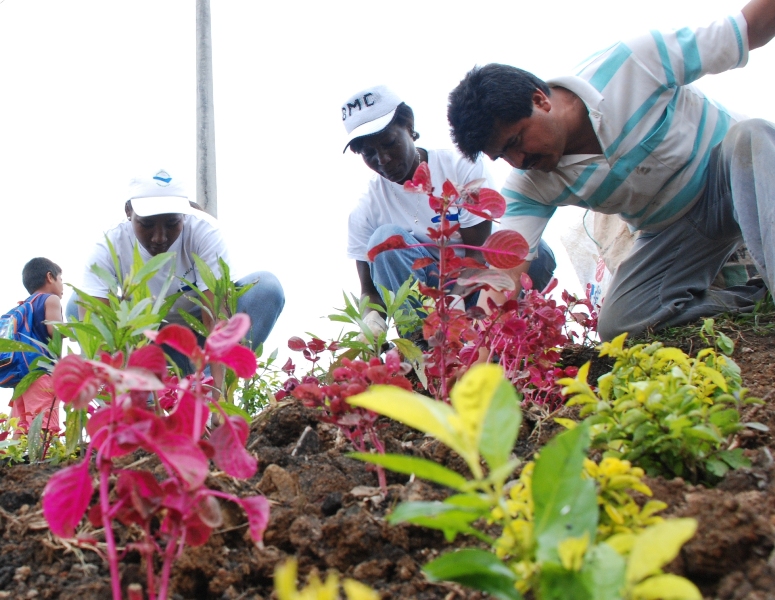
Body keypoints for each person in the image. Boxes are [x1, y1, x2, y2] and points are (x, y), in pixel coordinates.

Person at [447, 0, 775, 342]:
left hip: (735, 180)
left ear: (540, 100)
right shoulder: (529, 185)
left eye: (516, 141)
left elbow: (749, 27)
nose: (518, 160)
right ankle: (756, 300)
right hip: (675, 231)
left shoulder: (633, 62)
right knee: (621, 324)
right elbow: (504, 278)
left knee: (751, 137)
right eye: (502, 156)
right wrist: (474, 356)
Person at [342, 85, 556, 338]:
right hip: (425, 304)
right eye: (368, 153)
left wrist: (452, 309)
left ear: (408, 125)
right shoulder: (366, 210)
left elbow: (476, 255)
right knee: (384, 240)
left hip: (477, 287)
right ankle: (420, 343)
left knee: (533, 251)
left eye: (389, 143)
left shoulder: (459, 167)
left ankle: (503, 334)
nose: (383, 159)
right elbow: (370, 290)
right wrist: (371, 320)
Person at [69, 168, 285, 375]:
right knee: (77, 305)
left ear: (184, 214)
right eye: (147, 224)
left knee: (267, 287)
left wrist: (216, 395)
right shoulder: (109, 245)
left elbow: (216, 321)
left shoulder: (204, 231)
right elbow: (99, 339)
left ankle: (205, 383)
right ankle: (148, 386)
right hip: (148, 340)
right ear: (128, 211)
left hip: (201, 339)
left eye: (172, 223)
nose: (159, 237)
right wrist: (120, 393)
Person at [9, 258, 64, 435]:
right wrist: (77, 329)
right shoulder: (51, 299)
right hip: (41, 374)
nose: (62, 285)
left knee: (20, 429)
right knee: (44, 427)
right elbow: (55, 330)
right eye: (61, 279)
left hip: (20, 378)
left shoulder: (23, 306)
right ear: (50, 277)